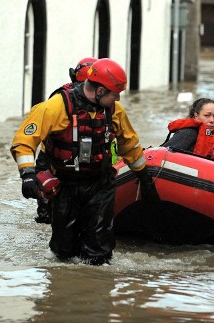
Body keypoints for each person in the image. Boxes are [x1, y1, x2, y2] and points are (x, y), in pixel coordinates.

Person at [11, 58, 160, 265]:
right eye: (114, 93)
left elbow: (130, 145)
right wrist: (27, 175)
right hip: (65, 184)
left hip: (100, 184)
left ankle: (96, 289)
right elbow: (25, 141)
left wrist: (143, 176)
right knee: (63, 252)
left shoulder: (115, 111)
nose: (117, 98)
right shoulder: (57, 106)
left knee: (99, 251)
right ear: (99, 91)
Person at [34, 57, 98, 224]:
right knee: (48, 210)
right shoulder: (60, 99)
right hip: (54, 157)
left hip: (83, 159)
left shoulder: (107, 104)